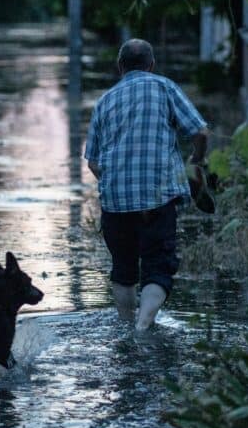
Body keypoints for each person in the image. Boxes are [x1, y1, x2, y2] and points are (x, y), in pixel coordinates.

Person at [83, 38, 209, 331]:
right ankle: (142, 326)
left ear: (119, 67)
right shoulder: (164, 87)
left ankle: (127, 328)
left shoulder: (105, 101)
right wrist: (197, 161)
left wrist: (116, 183)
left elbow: (92, 162)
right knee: (158, 265)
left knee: (123, 269)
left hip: (115, 202)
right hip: (158, 197)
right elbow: (200, 133)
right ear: (152, 66)